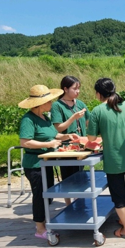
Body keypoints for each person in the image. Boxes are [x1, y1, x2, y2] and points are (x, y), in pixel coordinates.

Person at [86, 78, 125, 240]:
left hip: (115, 161)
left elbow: (91, 138)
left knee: (119, 197)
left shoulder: (97, 111)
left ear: (99, 94)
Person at [17, 85, 80, 241]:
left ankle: (44, 222)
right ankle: (40, 228)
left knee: (48, 195)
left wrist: (66, 136)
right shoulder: (28, 119)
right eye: (49, 100)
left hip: (47, 163)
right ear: (40, 103)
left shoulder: (45, 117)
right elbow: (25, 142)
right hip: (35, 165)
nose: (52, 103)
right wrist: (48, 145)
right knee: (40, 195)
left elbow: (53, 134)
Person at [50, 75, 90, 206]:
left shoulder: (80, 104)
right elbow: (58, 128)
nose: (77, 91)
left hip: (81, 147)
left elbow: (89, 122)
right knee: (67, 177)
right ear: (65, 89)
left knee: (80, 175)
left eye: (79, 88)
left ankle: (79, 201)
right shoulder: (57, 106)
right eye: (75, 88)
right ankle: (68, 204)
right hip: (66, 148)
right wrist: (73, 118)